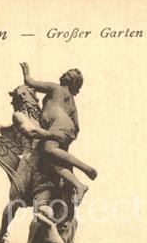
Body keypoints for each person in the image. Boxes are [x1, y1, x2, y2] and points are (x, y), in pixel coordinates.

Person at [20, 62, 97, 205]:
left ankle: (86, 169)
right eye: (66, 72)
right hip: (68, 129)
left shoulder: (56, 88)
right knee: (53, 161)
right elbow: (77, 126)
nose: (64, 74)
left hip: (58, 124)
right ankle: (79, 185)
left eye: (68, 75)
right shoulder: (72, 102)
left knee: (47, 148)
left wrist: (26, 72)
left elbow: (30, 82)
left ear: (71, 81)